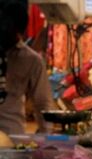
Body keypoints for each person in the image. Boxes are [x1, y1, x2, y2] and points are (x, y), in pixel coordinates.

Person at [0, 0, 54, 134]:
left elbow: (43, 103)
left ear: (20, 32)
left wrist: (46, 138)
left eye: (9, 30)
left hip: (11, 137)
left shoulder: (32, 60)